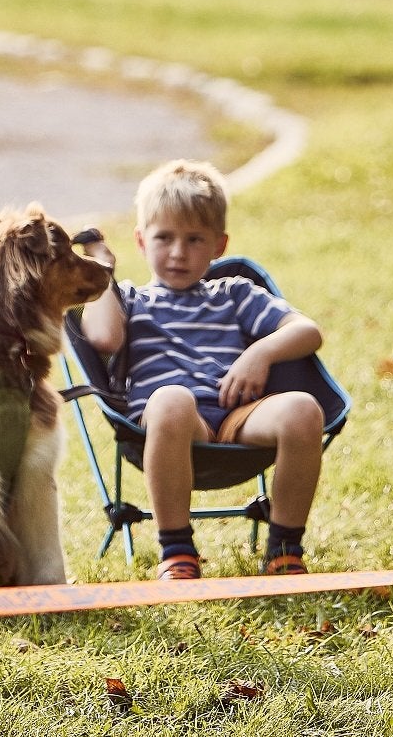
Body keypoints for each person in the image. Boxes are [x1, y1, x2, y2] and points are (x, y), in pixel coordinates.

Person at [79, 160, 327, 579]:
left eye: (195, 239)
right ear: (141, 240)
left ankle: (285, 550)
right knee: (174, 399)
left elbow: (306, 331)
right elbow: (102, 339)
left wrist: (258, 354)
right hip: (169, 423)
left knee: (303, 409)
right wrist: (103, 272)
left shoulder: (233, 293)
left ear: (219, 245)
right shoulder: (132, 301)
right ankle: (177, 551)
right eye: (164, 238)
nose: (178, 252)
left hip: (234, 417)